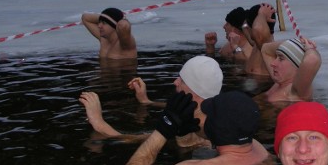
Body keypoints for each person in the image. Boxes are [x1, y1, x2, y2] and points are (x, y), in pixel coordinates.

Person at [121, 90, 271, 165]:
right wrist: (185, 131)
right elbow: (218, 139)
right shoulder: (258, 149)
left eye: (207, 113)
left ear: (215, 127)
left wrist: (164, 129)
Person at [80, 55, 223, 144]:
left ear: (194, 89)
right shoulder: (211, 116)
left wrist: (98, 122)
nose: (175, 82)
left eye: (182, 80)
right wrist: (146, 101)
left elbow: (127, 139)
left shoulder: (199, 132)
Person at [260, 36, 321, 102]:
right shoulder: (279, 80)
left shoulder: (297, 91)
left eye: (281, 59)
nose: (273, 64)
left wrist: (310, 49)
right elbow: (265, 49)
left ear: (297, 66)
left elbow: (312, 59)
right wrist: (297, 42)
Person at [242, 3, 276, 77]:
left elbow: (257, 29)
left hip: (263, 86)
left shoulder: (266, 46)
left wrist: (262, 14)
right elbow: (245, 27)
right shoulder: (256, 45)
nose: (246, 27)